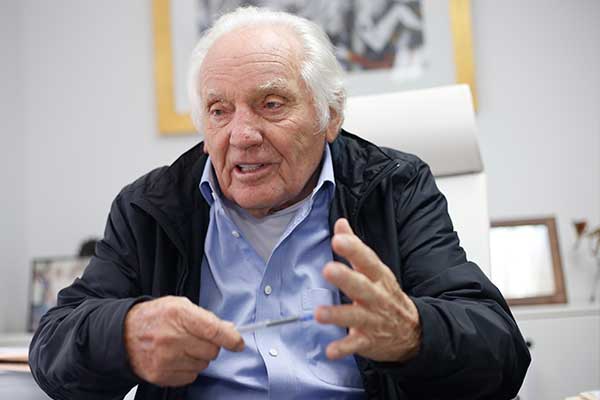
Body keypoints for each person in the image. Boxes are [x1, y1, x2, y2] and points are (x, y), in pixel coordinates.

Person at [29, 6, 530, 400]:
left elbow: (500, 352)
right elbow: (52, 347)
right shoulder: (151, 207)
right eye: (219, 111)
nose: (242, 135)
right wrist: (124, 334)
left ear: (330, 115)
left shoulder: (394, 188)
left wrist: (415, 334)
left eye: (271, 104)